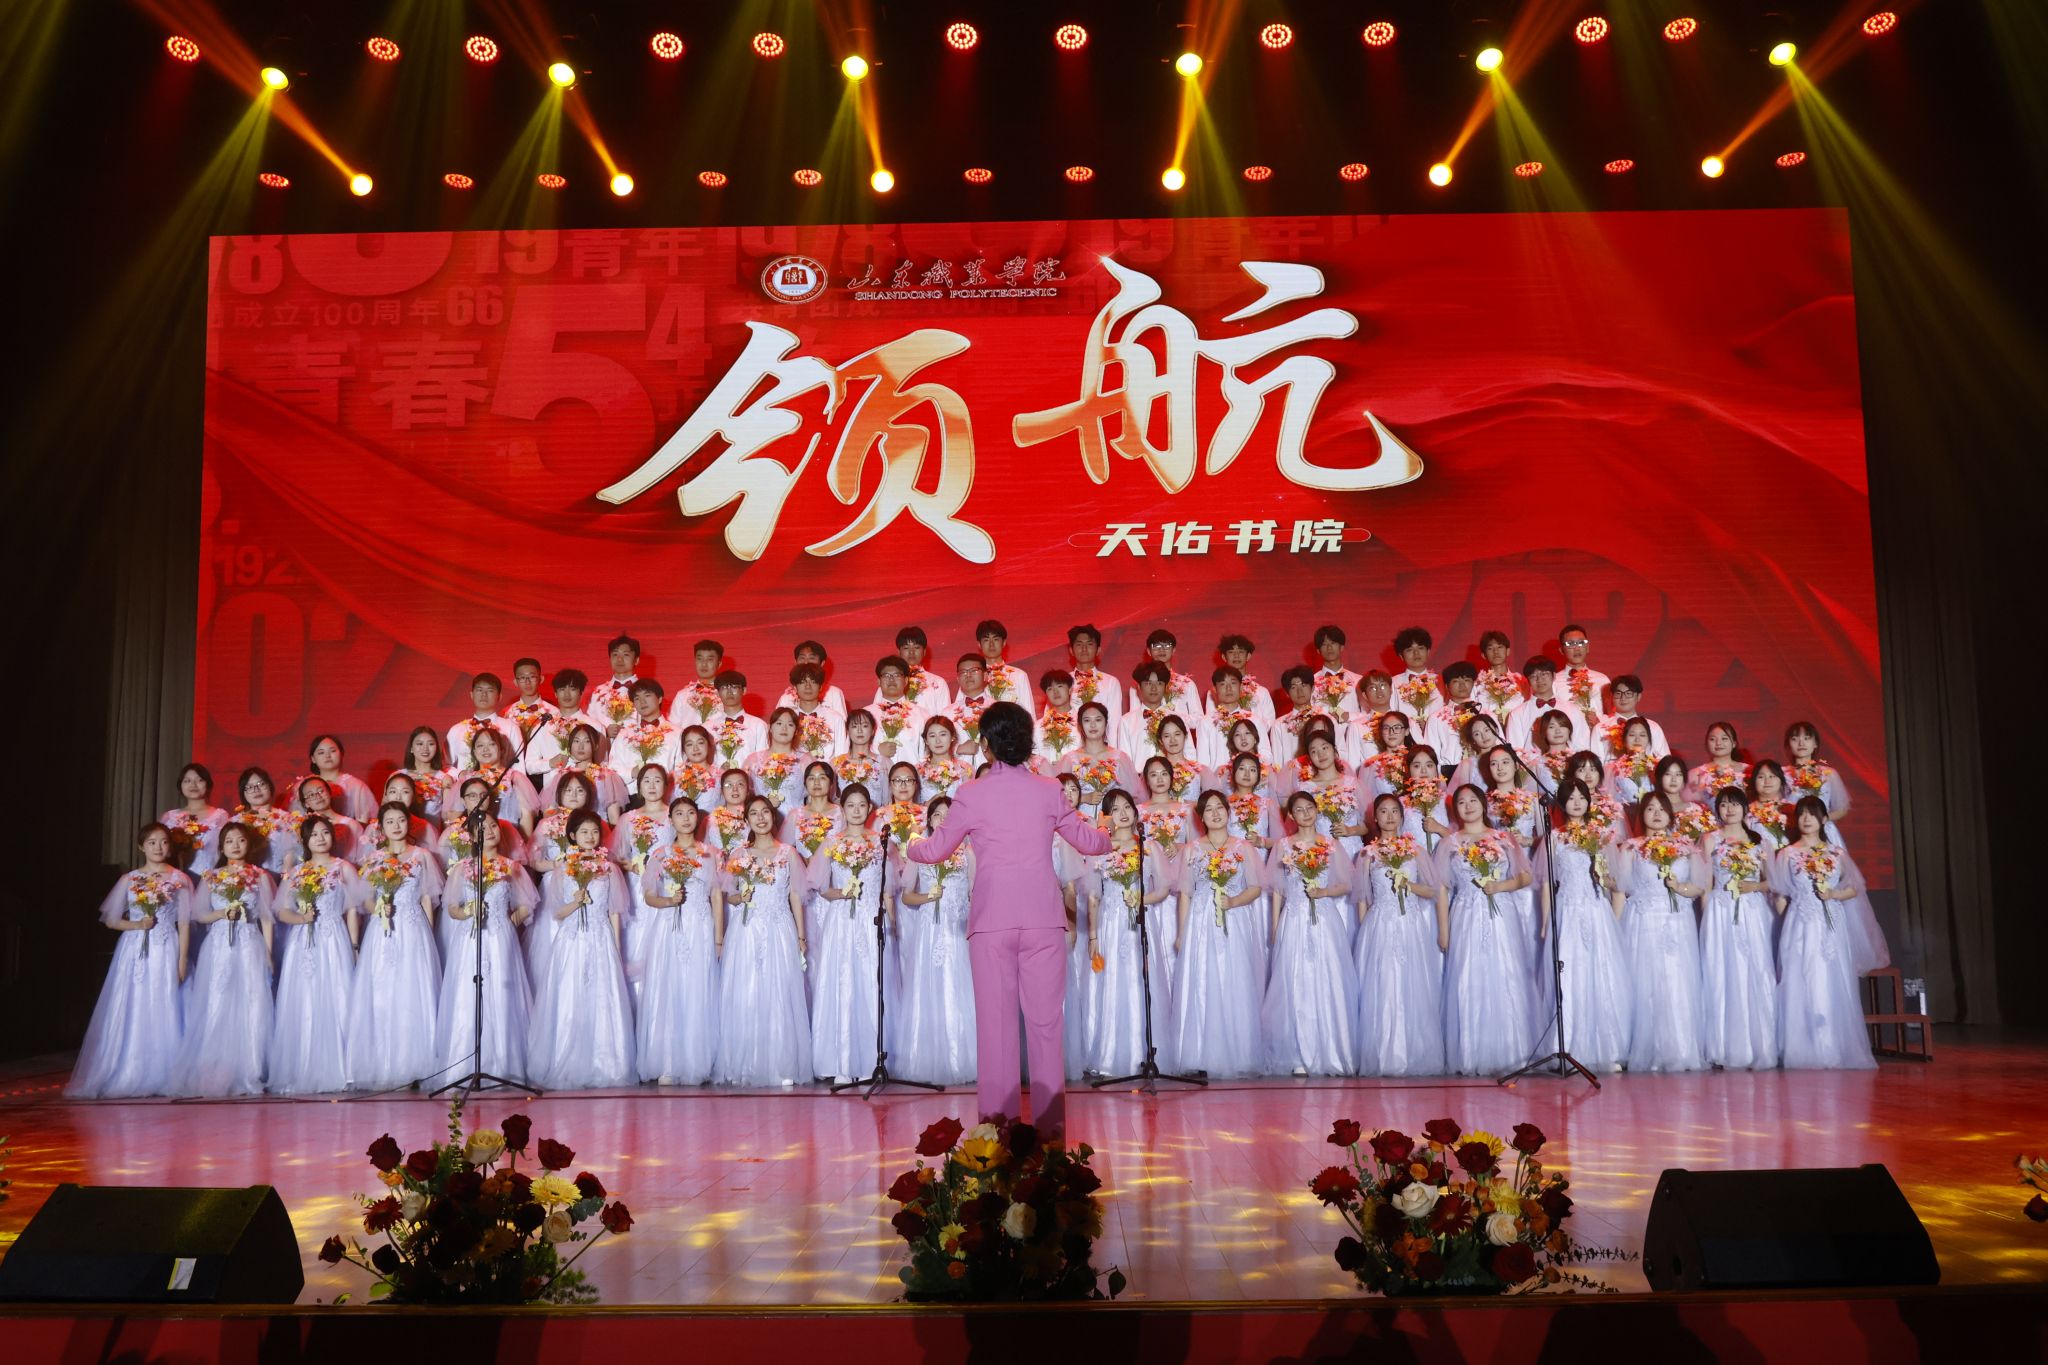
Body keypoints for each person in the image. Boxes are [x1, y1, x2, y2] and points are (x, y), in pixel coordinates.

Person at [905, 700, 1111, 1135]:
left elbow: (935, 851)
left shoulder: (970, 793)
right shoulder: (1049, 789)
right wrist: (1108, 830)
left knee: (996, 1030)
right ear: (1028, 741)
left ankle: (997, 1136)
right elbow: (1092, 844)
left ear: (986, 745)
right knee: (1046, 1028)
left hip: (992, 922)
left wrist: (909, 844)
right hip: (1043, 919)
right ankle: (1051, 1137)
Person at [66, 824, 191, 1098]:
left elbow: (184, 924)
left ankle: (166, 1072)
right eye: (152, 842)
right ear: (141, 847)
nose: (158, 847)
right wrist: (137, 925)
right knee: (133, 1003)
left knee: (166, 1003)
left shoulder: (179, 879)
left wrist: (182, 960)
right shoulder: (129, 879)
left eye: (163, 842)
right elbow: (111, 920)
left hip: (166, 946)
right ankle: (129, 1068)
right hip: (134, 949)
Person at [528, 809, 636, 1090]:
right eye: (584, 832)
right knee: (570, 996)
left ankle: (605, 1063)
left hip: (600, 938)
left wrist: (615, 945)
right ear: (573, 836)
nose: (590, 836)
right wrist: (576, 902)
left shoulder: (609, 869)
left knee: (602, 998)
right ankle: (567, 1060)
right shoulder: (563, 869)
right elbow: (557, 913)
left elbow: (614, 912)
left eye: (595, 831)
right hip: (571, 940)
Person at [1436, 785, 1537, 1075]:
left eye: (1473, 800)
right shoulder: (1449, 843)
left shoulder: (1502, 838)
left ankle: (1511, 1052)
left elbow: (1526, 877)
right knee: (1469, 976)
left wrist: (1500, 886)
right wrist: (1443, 930)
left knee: (1505, 975)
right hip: (1465, 914)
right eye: (1462, 802)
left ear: (1483, 804)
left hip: (1501, 915)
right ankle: (1471, 1053)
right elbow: (1441, 889)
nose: (1468, 806)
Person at [168, 823, 274, 1097]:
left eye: (241, 840)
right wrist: (221, 914)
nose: (235, 845)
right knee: (216, 1001)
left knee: (252, 1002)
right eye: (229, 841)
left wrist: (269, 952)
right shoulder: (212, 877)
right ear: (222, 846)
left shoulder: (259, 876)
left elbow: (266, 919)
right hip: (218, 946)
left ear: (249, 845)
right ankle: (213, 1070)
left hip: (249, 942)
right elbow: (200, 915)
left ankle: (250, 1069)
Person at [1534, 780, 1633, 1074]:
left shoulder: (1601, 836)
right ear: (1562, 803)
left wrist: (1604, 878)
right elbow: (1546, 884)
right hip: (1567, 910)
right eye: (1570, 797)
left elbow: (1615, 883)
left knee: (1601, 974)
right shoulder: (1554, 838)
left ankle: (1607, 1048)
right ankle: (1567, 1048)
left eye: (1582, 797)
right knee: (1569, 977)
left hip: (1596, 909)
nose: (1577, 802)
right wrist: (1545, 921)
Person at [1077, 789, 1176, 1079]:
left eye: (1127, 807)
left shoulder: (1148, 846)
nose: (1122, 813)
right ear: (1106, 816)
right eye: (1115, 809)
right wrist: (1093, 936)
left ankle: (1144, 1054)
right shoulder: (1100, 848)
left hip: (1140, 923)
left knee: (1140, 981)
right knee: (1110, 983)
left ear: (1135, 811)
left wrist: (1141, 900)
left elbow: (1163, 889)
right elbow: (1093, 896)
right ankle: (1109, 1054)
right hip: (1109, 923)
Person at [1773, 797, 1878, 1070]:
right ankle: (1802, 1049)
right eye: (1802, 814)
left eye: (1812, 814)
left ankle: (1832, 1046)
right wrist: (1787, 920)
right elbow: (1780, 895)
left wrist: (1833, 894)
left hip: (1831, 923)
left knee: (1831, 978)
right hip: (1800, 923)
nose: (1806, 819)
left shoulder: (1836, 853)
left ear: (1823, 819)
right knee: (1800, 979)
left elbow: (1854, 887)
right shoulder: (1787, 854)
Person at [713, 796, 812, 1086]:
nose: (760, 818)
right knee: (747, 991)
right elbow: (729, 896)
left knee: (779, 991)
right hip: (746, 930)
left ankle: (782, 1064)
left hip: (779, 927)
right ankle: (745, 1064)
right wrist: (740, 897)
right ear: (746, 821)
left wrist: (801, 935)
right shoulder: (739, 854)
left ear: (773, 816)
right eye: (753, 813)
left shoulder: (788, 853)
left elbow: (796, 896)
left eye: (765, 812)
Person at [1261, 790, 1361, 1077]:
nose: (1305, 813)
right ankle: (1297, 1053)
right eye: (1298, 810)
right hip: (1294, 917)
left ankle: (1333, 1051)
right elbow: (1278, 890)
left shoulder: (1330, 844)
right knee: (1295, 980)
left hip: (1325, 920)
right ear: (1291, 816)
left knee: (1328, 979)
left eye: (1309, 808)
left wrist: (1324, 892)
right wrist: (1275, 925)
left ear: (1317, 811)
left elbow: (1346, 884)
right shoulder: (1283, 846)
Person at [346, 802, 445, 1091]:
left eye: (401, 820)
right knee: (382, 989)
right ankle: (383, 1063)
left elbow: (427, 898)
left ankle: (417, 1065)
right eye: (390, 821)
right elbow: (365, 900)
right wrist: (378, 908)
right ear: (381, 827)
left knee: (413, 989)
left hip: (413, 927)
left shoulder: (421, 856)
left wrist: (429, 932)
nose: (396, 826)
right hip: (382, 930)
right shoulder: (374, 859)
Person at [1167, 791, 1265, 1078]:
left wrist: (1233, 901)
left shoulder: (1243, 847)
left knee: (1236, 980)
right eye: (1208, 809)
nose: (1215, 813)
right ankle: (1200, 1054)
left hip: (1234, 920)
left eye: (1219, 807)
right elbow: (1186, 894)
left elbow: (1255, 888)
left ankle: (1239, 1054)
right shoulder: (1192, 849)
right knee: (1202, 982)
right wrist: (1181, 933)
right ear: (1201, 817)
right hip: (1200, 922)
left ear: (1228, 811)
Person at [1353, 795, 1448, 1078]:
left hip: (1410, 924)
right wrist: (1364, 930)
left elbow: (1432, 891)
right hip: (1379, 923)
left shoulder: (1415, 849)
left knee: (1412, 983)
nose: (1390, 816)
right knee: (1382, 984)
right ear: (1375, 818)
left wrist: (1409, 886)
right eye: (1383, 811)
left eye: (1395, 811)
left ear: (1402, 816)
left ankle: (1415, 1053)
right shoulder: (1367, 853)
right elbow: (1362, 898)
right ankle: (1384, 1054)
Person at [436, 821, 537, 1085]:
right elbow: (452, 908)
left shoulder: (511, 867)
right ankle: (463, 1065)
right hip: (470, 937)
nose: (490, 831)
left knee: (502, 992)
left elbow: (526, 905)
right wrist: (468, 912)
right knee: (468, 995)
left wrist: (506, 923)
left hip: (500, 937)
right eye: (483, 828)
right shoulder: (462, 868)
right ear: (472, 836)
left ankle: (504, 1065)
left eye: (493, 826)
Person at [1616, 793, 1709, 1073]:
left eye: (1661, 809)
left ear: (1671, 814)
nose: (1656, 814)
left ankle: (1679, 1048)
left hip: (1677, 922)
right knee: (1643, 982)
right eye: (1650, 809)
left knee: (1677, 980)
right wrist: (1615, 929)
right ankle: (1645, 1048)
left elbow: (1698, 887)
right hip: (1642, 921)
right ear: (1641, 815)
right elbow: (1621, 890)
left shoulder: (1687, 848)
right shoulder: (1630, 848)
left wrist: (1678, 887)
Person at [268, 816, 360, 1095]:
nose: (320, 838)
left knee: (337, 994)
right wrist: (302, 919)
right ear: (305, 841)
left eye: (325, 833)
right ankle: (304, 1066)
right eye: (314, 834)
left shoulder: (344, 868)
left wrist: (354, 945)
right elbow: (283, 911)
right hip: (303, 942)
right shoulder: (297, 873)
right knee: (305, 997)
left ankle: (344, 1068)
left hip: (334, 937)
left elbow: (352, 910)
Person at [894, 795, 979, 1086]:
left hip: (958, 927)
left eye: (948, 815)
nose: (943, 820)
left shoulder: (968, 852)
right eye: (937, 815)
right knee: (927, 987)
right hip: (929, 929)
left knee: (961, 987)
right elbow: (907, 896)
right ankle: (928, 1058)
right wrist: (928, 897)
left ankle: (964, 1058)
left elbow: (976, 893)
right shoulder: (919, 850)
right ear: (929, 821)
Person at [637, 799, 721, 1085]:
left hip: (700, 925)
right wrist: (669, 902)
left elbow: (716, 896)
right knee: (668, 988)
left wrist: (719, 938)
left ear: (698, 818)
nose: (686, 818)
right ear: (670, 819)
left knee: (698, 988)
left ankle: (698, 1061)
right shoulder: (661, 854)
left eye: (691, 813)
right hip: (669, 927)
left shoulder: (710, 854)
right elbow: (649, 897)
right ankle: (668, 1062)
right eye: (679, 813)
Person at [806, 784, 885, 1084]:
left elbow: (888, 887)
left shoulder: (880, 842)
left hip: (870, 918)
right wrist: (841, 893)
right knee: (841, 982)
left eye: (861, 805)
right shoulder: (832, 842)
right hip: (841, 919)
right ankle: (841, 1061)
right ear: (842, 809)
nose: (856, 810)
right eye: (850, 805)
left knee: (869, 982)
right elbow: (821, 887)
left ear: (869, 809)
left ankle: (870, 1060)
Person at [1698, 788, 1781, 1071]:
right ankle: (1723, 1047)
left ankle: (1760, 1046)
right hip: (1721, 909)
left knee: (1755, 971)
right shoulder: (1710, 839)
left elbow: (1773, 881)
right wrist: (1707, 917)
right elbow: (1706, 885)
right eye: (1723, 805)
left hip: (1753, 911)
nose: (1729, 809)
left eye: (1735, 804)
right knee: (1721, 971)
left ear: (1745, 808)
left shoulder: (1760, 841)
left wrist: (1754, 886)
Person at [447, 673, 522, 771]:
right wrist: (460, 774)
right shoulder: (456, 730)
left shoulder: (511, 728)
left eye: (490, 690)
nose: (484, 694)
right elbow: (446, 765)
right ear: (471, 695)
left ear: (499, 697)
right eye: (479, 690)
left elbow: (519, 766)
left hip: (501, 780)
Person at [162, 762, 227, 874]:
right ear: (180, 785)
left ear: (208, 784)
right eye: (187, 781)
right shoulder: (169, 817)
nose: (193, 785)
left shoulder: (220, 816)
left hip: (210, 878)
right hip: (175, 878)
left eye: (199, 780)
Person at [297, 734, 377, 824]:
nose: (327, 755)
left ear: (341, 753)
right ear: (313, 759)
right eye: (321, 752)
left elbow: (371, 821)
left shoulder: (356, 786)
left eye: (332, 751)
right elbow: (296, 820)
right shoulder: (303, 787)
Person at [1066, 623, 1124, 730]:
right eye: (1079, 644)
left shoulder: (1111, 682)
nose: (1084, 648)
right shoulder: (1062, 683)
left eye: (1089, 644)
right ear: (1071, 651)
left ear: (1098, 650)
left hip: (1101, 740)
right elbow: (1052, 718)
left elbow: (1114, 724)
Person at [588, 632, 643, 740]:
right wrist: (604, 731)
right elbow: (589, 724)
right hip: (605, 748)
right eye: (615, 654)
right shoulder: (599, 692)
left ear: (636, 660)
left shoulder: (646, 691)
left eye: (625, 655)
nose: (619, 659)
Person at [973, 619, 1034, 707]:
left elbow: (1028, 711)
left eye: (996, 639)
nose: (991, 644)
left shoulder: (1019, 676)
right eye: (986, 640)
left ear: (1004, 642)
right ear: (979, 644)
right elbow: (959, 708)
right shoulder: (972, 677)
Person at [670, 639, 727, 728]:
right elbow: (674, 728)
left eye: (710, 659)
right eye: (700, 659)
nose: (704, 664)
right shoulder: (682, 696)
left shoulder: (726, 695)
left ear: (719, 664)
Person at [1390, 626, 1442, 721]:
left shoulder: (1441, 682)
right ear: (1401, 656)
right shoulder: (1393, 683)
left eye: (1420, 648)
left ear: (1428, 652)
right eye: (1409, 650)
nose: (1416, 653)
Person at [1311, 624, 1362, 718]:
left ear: (1341, 647)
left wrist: (1348, 717)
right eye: (1324, 644)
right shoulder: (1311, 683)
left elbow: (1367, 714)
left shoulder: (1358, 680)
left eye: (1333, 643)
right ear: (1318, 650)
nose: (1329, 648)